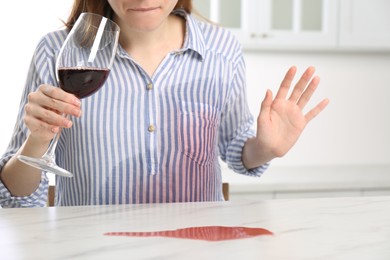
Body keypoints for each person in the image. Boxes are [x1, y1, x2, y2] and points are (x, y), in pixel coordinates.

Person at [0, 0, 329, 207]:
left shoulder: (222, 49)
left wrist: (265, 148)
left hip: (196, 248)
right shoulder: (56, 51)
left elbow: (237, 147)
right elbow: (15, 194)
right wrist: (38, 140)